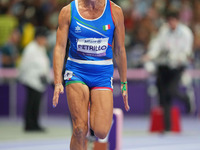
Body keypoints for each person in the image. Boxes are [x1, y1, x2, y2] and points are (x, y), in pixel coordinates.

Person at [52, 0, 130, 149]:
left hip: (102, 73)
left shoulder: (115, 11)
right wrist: (57, 82)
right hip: (77, 71)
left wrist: (124, 82)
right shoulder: (68, 11)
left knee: (101, 131)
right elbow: (60, 47)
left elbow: (120, 50)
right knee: (80, 129)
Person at [143, 10, 193, 131]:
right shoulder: (164, 31)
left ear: (177, 21)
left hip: (176, 67)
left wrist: (178, 58)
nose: (171, 23)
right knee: (163, 96)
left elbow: (187, 52)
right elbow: (157, 46)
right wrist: (150, 55)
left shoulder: (186, 33)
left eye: (173, 21)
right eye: (169, 21)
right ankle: (167, 127)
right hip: (163, 67)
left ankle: (186, 98)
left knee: (171, 92)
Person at [19, 27, 51, 132]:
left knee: (36, 104)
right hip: (31, 81)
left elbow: (43, 65)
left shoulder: (41, 48)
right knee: (31, 103)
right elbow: (24, 65)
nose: (45, 41)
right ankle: (29, 124)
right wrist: (27, 78)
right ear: (38, 38)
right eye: (44, 38)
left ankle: (35, 124)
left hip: (39, 82)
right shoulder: (30, 48)